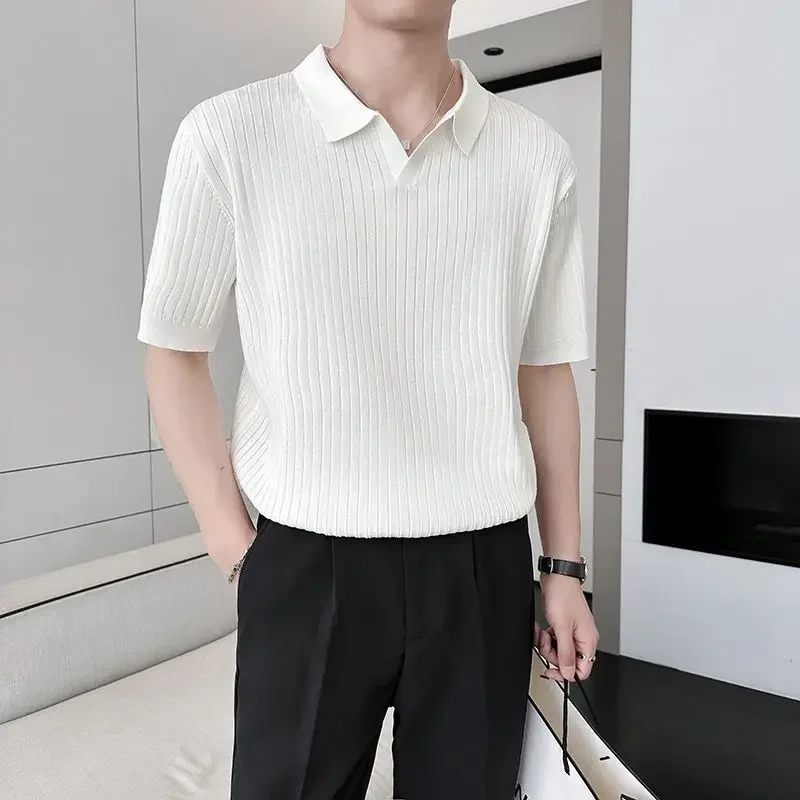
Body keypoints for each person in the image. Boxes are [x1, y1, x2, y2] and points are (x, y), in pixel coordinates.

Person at [138, 0, 599, 797]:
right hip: (305, 558)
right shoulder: (230, 134)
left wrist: (561, 567)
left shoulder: (535, 157)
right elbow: (173, 349)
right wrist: (235, 547)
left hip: (482, 563)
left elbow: (544, 370)